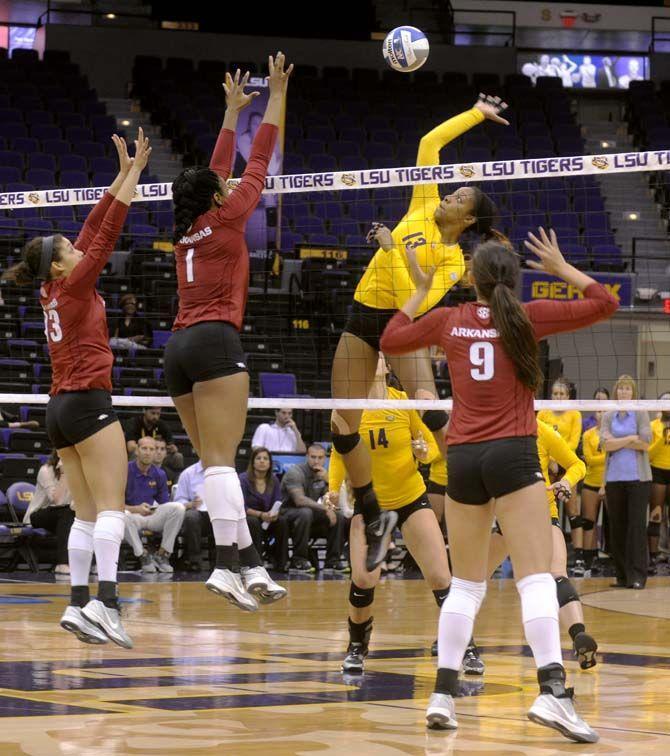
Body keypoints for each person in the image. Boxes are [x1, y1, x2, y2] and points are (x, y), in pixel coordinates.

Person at [380, 227, 617, 741]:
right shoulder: (528, 318)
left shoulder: (450, 320)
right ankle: (553, 693)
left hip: (463, 459)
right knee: (534, 579)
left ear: (473, 280)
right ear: (514, 280)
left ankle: (442, 694)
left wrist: (420, 290)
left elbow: (391, 339)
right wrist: (560, 269)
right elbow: (605, 302)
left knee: (465, 585)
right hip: (513, 455)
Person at [330, 93, 510, 574]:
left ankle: (480, 492)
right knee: (340, 424)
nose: (448, 196)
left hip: (399, 326)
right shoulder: (423, 200)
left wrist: (391, 247)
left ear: (466, 220)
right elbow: (430, 143)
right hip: (360, 317)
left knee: (428, 406)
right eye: (451, 192)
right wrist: (476, 114)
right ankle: (372, 516)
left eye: (458, 199)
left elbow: (417, 299)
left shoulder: (453, 261)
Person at [2, 127, 152, 648]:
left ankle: (77, 605)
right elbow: (106, 235)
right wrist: (130, 179)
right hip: (87, 402)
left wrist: (125, 173)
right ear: (62, 262)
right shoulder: (75, 283)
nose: (77, 243)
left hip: (60, 410)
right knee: (111, 507)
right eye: (69, 247)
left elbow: (93, 226)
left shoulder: (53, 285)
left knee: (86, 512)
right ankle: (107, 605)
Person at [164, 58, 292, 610]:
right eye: (222, 186)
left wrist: (228, 113)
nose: (228, 183)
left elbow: (217, 170)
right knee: (219, 463)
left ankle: (252, 567)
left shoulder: (188, 230)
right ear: (217, 196)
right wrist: (278, 95)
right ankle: (223, 567)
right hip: (215, 342)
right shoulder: (229, 215)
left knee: (216, 462)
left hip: (177, 351)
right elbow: (259, 156)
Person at [328, 355, 484, 676]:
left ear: (388, 368)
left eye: (380, 359)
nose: (373, 362)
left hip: (410, 498)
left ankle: (466, 646)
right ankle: (357, 646)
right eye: (368, 358)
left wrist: (424, 451)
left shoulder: (404, 403)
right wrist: (333, 488)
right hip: (370, 505)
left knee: (441, 577)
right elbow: (339, 450)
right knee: (363, 579)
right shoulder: (349, 406)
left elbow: (430, 444)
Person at [487, 420, 598, 670]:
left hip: (541, 513)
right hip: (507, 515)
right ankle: (460, 641)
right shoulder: (493, 428)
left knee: (557, 574)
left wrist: (566, 482)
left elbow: (577, 465)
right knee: (473, 581)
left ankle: (579, 635)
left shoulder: (543, 431)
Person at [602, 375, 651, 589]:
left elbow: (646, 443)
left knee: (636, 528)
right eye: (620, 389)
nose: (623, 392)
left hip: (638, 479)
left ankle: (638, 576)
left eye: (627, 389)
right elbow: (605, 445)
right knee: (617, 529)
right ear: (616, 392)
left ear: (633, 392)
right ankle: (622, 577)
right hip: (613, 479)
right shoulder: (608, 415)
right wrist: (631, 438)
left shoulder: (640, 412)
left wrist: (618, 441)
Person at [537, 378, 584, 573]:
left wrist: (557, 457)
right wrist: (551, 460)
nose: (558, 397)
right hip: (547, 465)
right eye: (555, 393)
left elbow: (573, 442)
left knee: (572, 511)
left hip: (564, 462)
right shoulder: (543, 412)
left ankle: (579, 556)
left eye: (562, 394)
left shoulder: (574, 413)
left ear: (568, 396)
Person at [281, 444, 347, 573]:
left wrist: (328, 481)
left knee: (338, 516)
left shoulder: (322, 474)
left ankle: (332, 561)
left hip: (309, 515)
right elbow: (299, 500)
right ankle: (298, 560)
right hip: (287, 513)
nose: (316, 461)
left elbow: (332, 501)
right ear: (307, 456)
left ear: (325, 459)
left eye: (320, 458)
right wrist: (325, 509)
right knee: (306, 512)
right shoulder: (295, 472)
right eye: (313, 457)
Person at [123, 436, 185, 573]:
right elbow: (114, 504)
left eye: (152, 449)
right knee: (122, 515)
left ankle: (162, 555)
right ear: (137, 451)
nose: (148, 452)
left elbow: (165, 504)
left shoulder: (160, 474)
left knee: (178, 508)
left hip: (150, 516)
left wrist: (153, 509)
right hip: (131, 517)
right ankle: (143, 555)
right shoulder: (125, 470)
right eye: (144, 448)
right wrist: (136, 509)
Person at [24, 450, 74, 576]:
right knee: (66, 512)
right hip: (38, 515)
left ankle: (93, 563)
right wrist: (64, 473)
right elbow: (56, 500)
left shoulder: (77, 471)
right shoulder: (46, 470)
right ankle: (62, 563)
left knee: (79, 515)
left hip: (63, 515)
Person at [239, 447, 287, 571]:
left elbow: (278, 500)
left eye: (265, 458)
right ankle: (256, 563)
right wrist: (261, 515)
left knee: (282, 521)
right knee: (253, 522)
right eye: (258, 458)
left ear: (270, 463)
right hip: (248, 517)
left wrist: (274, 514)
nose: (262, 461)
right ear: (253, 462)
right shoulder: (243, 479)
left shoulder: (274, 480)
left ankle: (281, 563)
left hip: (268, 518)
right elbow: (241, 506)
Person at [173, 458, 213, 571]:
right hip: (197, 514)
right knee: (191, 517)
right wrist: (191, 504)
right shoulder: (188, 473)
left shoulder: (222, 473)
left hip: (216, 513)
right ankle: (194, 560)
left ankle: (221, 562)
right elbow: (178, 501)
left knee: (226, 517)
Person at [580, 409, 607, 574]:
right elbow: (589, 459)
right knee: (588, 522)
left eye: (605, 411)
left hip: (610, 482)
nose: (602, 414)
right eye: (599, 411)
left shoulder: (614, 433)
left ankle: (613, 558)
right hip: (591, 482)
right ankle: (588, 560)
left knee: (615, 523)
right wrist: (610, 454)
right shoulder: (588, 434)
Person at [648, 391, 670, 573]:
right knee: (656, 514)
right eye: (664, 401)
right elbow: (647, 454)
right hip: (657, 471)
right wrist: (663, 438)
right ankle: (654, 555)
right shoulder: (652, 425)